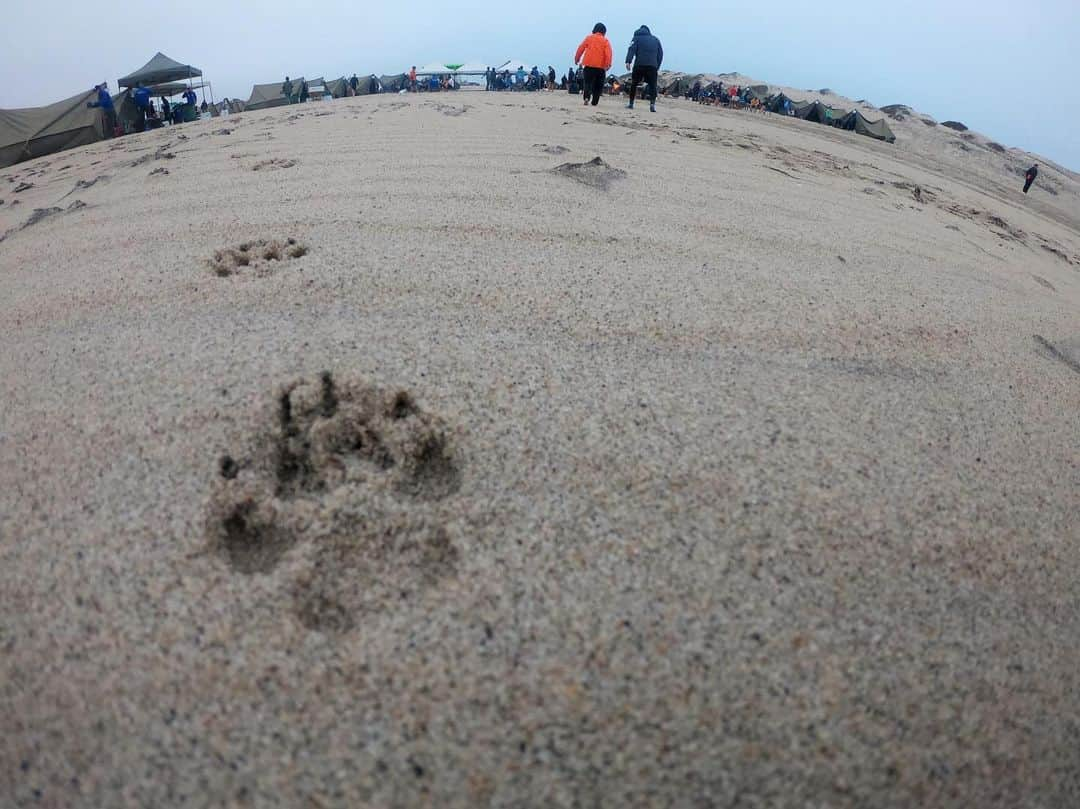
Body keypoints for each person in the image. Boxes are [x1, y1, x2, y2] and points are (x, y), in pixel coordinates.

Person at [625, 24, 663, 112]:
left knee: (634, 84)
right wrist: (657, 66)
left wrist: (628, 61)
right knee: (653, 85)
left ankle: (631, 103)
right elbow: (660, 54)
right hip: (652, 66)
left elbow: (631, 49)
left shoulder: (636, 38)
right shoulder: (655, 39)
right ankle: (652, 105)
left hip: (639, 65)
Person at [575, 22, 613, 107]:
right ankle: (595, 101)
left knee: (587, 83)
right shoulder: (605, 41)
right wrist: (608, 64)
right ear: (604, 32)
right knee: (598, 85)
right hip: (600, 67)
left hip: (588, 65)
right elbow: (608, 53)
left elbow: (580, 48)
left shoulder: (589, 38)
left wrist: (577, 59)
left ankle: (586, 98)